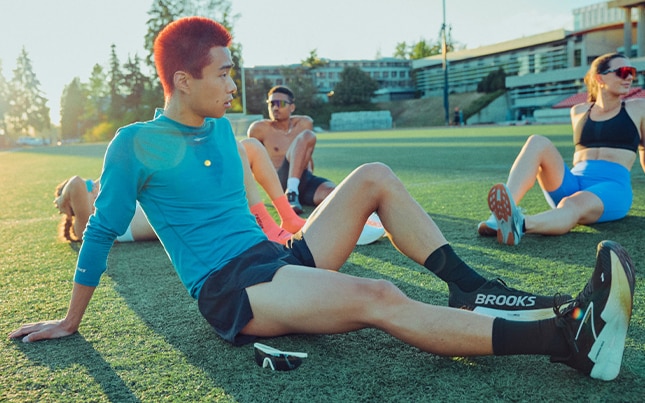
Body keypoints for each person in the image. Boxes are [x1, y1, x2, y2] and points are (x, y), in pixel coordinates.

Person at [9, 18, 635, 382]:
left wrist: (292, 227)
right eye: (223, 73)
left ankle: (468, 287)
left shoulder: (225, 132)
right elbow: (100, 231)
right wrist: (70, 321)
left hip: (275, 259)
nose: (233, 85)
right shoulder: (135, 144)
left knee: (373, 175)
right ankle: (567, 342)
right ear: (182, 80)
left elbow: (256, 203)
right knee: (378, 296)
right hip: (233, 290)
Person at [479, 53, 645, 245]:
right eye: (623, 72)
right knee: (537, 141)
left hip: (612, 188)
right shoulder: (579, 111)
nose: (630, 77)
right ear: (600, 78)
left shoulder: (639, 108)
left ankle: (520, 223)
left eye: (632, 72)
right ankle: (499, 217)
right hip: (572, 182)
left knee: (572, 203)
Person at [54, 140, 302, 245]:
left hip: (186, 196)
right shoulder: (92, 225)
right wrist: (65, 196)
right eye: (90, 187)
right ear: (74, 204)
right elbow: (76, 184)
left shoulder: (118, 191)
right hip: (191, 209)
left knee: (250, 147)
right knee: (235, 149)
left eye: (93, 182)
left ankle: (287, 216)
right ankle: (265, 227)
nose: (93, 186)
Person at [246, 85, 335, 214]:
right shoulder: (259, 129)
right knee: (307, 135)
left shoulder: (303, 123)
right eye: (271, 104)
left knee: (335, 193)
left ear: (292, 107)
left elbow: (307, 155)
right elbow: (250, 164)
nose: (275, 108)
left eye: (280, 103)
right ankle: (290, 193)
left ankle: (293, 193)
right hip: (279, 182)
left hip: (303, 179)